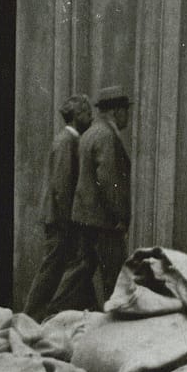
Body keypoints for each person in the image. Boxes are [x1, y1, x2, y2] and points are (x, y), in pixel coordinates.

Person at [23, 94, 98, 320]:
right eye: (87, 113)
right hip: (60, 220)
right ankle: (29, 317)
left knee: (75, 267)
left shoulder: (70, 140)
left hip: (60, 219)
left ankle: (90, 310)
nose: (91, 118)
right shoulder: (67, 142)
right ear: (76, 116)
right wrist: (69, 222)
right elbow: (62, 186)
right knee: (53, 270)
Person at [72, 86, 133, 307]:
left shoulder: (90, 133)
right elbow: (109, 180)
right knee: (115, 278)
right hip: (105, 222)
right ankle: (112, 324)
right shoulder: (107, 136)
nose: (127, 116)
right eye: (126, 110)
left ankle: (58, 313)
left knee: (81, 275)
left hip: (86, 218)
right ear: (116, 111)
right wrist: (121, 217)